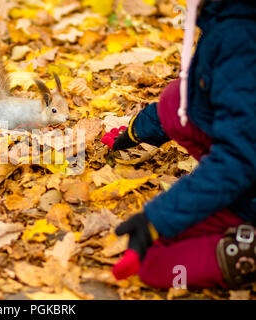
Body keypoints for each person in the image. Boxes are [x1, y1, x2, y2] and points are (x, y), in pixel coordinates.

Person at [101, 0, 256, 289]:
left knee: (155, 267)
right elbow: (198, 95)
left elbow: (241, 158)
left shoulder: (241, 35)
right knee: (175, 99)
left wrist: (157, 220)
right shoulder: (227, 14)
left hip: (245, 175)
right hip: (246, 163)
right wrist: (139, 130)